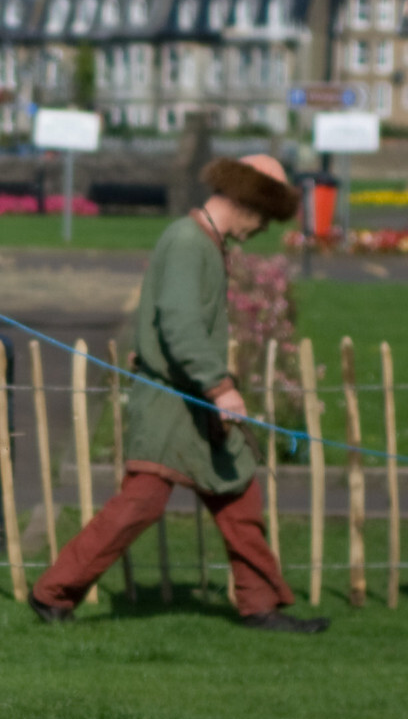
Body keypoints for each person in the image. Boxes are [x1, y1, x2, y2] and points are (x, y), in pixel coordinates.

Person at [27, 154, 324, 632]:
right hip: (172, 401)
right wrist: (221, 386)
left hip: (195, 400)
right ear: (248, 203)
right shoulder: (189, 241)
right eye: (265, 215)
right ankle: (52, 594)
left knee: (238, 492)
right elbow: (180, 325)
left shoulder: (202, 241)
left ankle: (261, 607)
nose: (265, 226)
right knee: (141, 502)